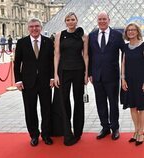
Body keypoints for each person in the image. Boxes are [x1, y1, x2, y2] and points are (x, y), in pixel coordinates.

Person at [14, 18, 54, 147]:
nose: (34, 29)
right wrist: (18, 80)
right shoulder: (22, 42)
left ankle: (46, 134)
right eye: (31, 26)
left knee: (46, 109)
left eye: (37, 26)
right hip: (28, 82)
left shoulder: (48, 42)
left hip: (45, 81)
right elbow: (17, 63)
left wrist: (52, 78)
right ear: (28, 28)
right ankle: (34, 135)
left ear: (41, 28)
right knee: (30, 110)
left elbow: (52, 62)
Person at [53, 12, 88, 146]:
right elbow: (56, 55)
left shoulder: (84, 36)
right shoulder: (59, 35)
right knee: (64, 102)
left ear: (76, 20)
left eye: (72, 19)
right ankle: (67, 133)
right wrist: (55, 74)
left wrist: (86, 74)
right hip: (63, 71)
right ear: (65, 22)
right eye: (68, 20)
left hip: (79, 70)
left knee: (78, 101)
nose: (70, 22)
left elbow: (85, 56)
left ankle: (78, 132)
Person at [88, 11, 125, 140]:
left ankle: (115, 128)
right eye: (100, 19)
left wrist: (123, 74)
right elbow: (89, 56)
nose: (102, 21)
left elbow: (124, 54)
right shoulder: (91, 36)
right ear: (97, 21)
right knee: (100, 103)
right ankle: (105, 127)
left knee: (113, 103)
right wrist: (89, 74)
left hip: (112, 76)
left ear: (109, 20)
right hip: (97, 77)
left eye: (104, 19)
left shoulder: (118, 35)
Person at [121, 23, 144, 146]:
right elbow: (123, 63)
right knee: (133, 106)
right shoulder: (125, 47)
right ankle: (136, 130)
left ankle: (141, 132)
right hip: (129, 80)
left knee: (142, 107)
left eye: (133, 30)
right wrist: (122, 79)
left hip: (141, 80)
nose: (131, 32)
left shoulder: (143, 45)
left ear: (137, 31)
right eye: (129, 30)